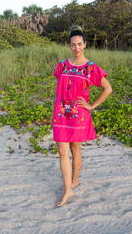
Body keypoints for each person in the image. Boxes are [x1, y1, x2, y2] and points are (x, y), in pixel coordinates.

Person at [50, 25, 113, 207]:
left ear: (85, 44)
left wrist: (92, 105)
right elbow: (61, 90)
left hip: (79, 115)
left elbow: (107, 89)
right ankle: (68, 189)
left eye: (79, 44)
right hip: (61, 114)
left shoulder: (91, 68)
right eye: (72, 45)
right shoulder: (62, 65)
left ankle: (74, 181)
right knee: (63, 151)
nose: (76, 48)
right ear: (69, 45)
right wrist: (55, 110)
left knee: (75, 149)